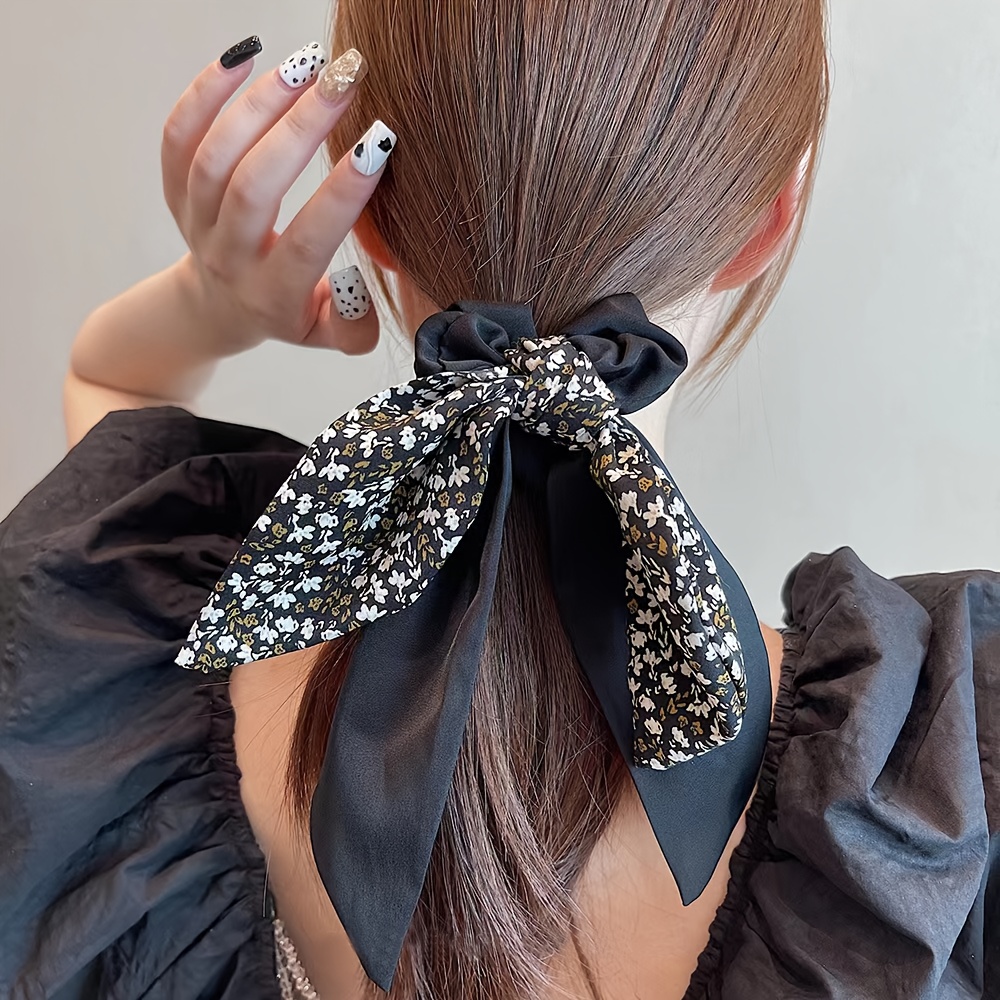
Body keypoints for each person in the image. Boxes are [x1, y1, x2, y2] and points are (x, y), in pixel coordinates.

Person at [1, 3, 997, 999]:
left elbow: (110, 410)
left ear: (368, 213)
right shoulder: (943, 790)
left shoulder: (108, 650)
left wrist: (208, 302)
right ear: (767, 221)